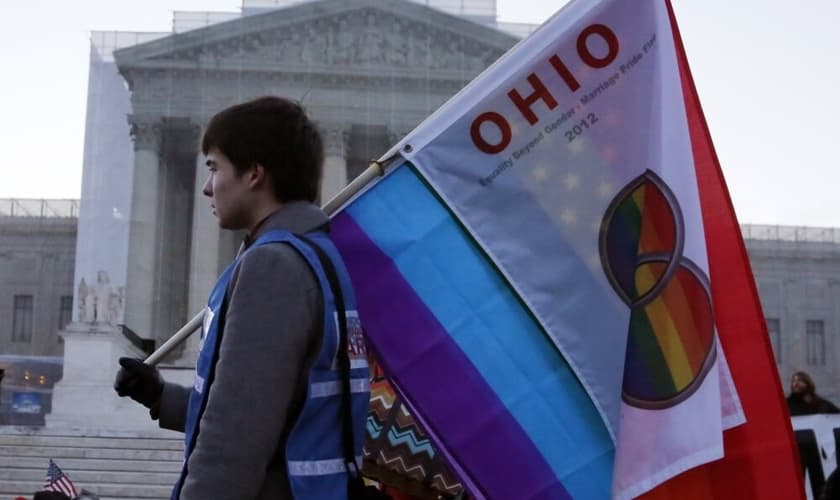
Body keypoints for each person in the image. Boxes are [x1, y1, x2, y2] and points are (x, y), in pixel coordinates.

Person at [114, 96, 370, 499]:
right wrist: (161, 397)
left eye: (214, 167)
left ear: (254, 173)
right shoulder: (318, 257)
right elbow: (287, 409)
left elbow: (233, 439)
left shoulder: (272, 267)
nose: (206, 186)